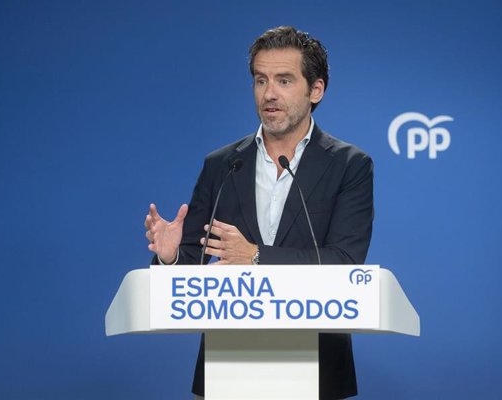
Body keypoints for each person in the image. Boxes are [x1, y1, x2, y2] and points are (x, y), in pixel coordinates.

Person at [144, 25, 374, 399]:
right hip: (228, 364)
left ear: (316, 89)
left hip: (315, 364)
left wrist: (255, 255)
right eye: (260, 80)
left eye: (284, 80)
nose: (269, 94)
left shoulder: (349, 165)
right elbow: (193, 261)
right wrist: (171, 257)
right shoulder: (222, 164)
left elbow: (344, 262)